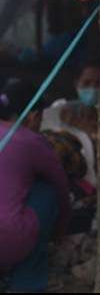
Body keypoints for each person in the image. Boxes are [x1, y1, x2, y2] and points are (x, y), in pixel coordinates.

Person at [0, 78, 71, 292]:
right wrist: (60, 231)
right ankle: (27, 281)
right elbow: (62, 189)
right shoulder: (30, 141)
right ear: (34, 116)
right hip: (9, 241)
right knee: (47, 192)